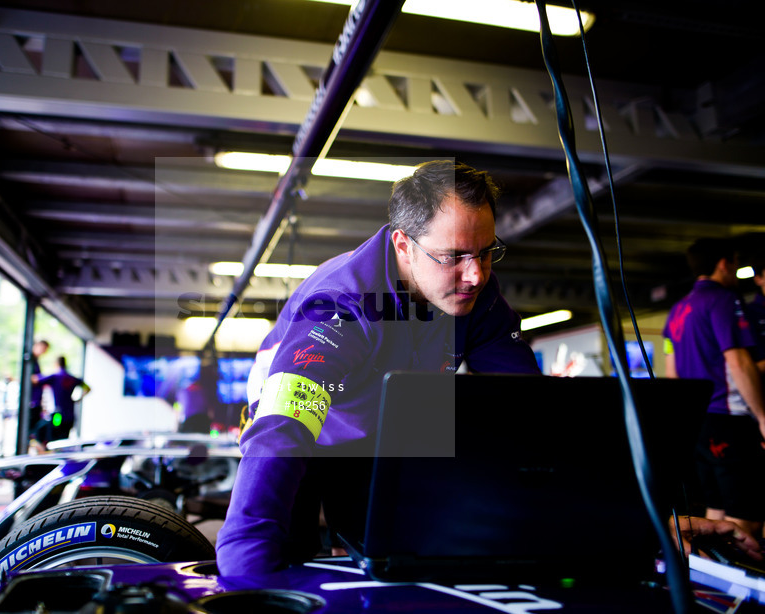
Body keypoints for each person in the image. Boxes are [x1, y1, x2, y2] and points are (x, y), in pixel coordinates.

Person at [215, 160, 541, 575]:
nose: (475, 275)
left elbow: (528, 406)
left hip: (381, 426)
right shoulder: (342, 303)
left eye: (485, 252)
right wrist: (246, 565)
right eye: (454, 256)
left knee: (389, 548)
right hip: (301, 425)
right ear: (403, 245)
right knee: (284, 550)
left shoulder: (476, 297)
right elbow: (283, 428)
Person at [663, 237, 765, 537]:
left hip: (698, 422)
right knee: (746, 521)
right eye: (734, 263)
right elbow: (738, 363)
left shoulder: (677, 310)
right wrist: (762, 416)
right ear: (724, 264)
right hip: (730, 420)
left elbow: (672, 375)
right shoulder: (723, 300)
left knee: (714, 516)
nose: (735, 271)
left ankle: (701, 583)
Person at [30, 356, 91, 452]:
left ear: (56, 364)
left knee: (52, 437)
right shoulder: (73, 378)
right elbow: (88, 388)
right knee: (64, 439)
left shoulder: (55, 377)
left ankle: (52, 457)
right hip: (70, 416)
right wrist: (77, 399)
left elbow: (36, 380)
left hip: (58, 416)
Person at [175, 360, 220, 434]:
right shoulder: (206, 391)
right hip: (202, 424)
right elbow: (211, 412)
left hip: (189, 426)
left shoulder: (182, 392)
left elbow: (177, 411)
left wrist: (176, 428)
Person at [27, 340, 50, 434]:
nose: (44, 352)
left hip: (36, 402)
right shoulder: (30, 361)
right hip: (31, 402)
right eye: (44, 349)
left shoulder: (36, 361)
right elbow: (32, 378)